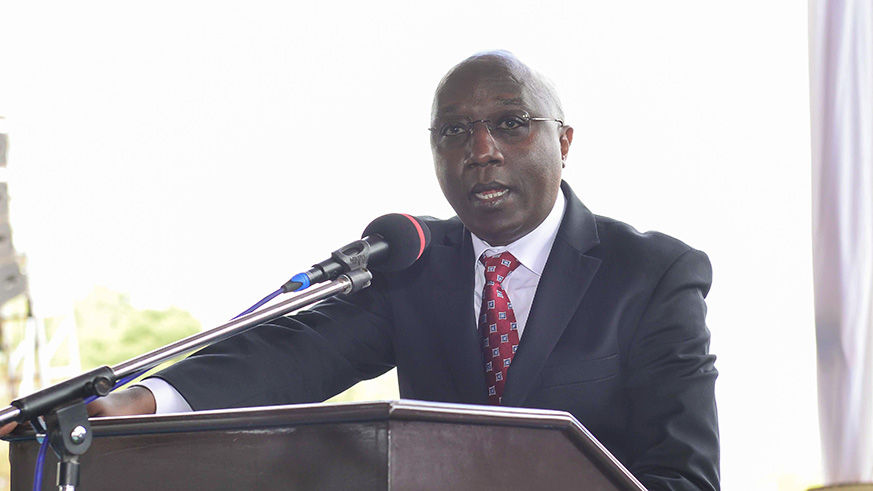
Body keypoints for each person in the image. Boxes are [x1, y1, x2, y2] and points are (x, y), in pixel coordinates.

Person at [49, 51, 723, 489]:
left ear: (563, 141)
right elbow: (297, 349)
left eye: (510, 123)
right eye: (454, 132)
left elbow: (684, 474)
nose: (481, 150)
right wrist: (151, 398)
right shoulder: (413, 261)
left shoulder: (651, 273)